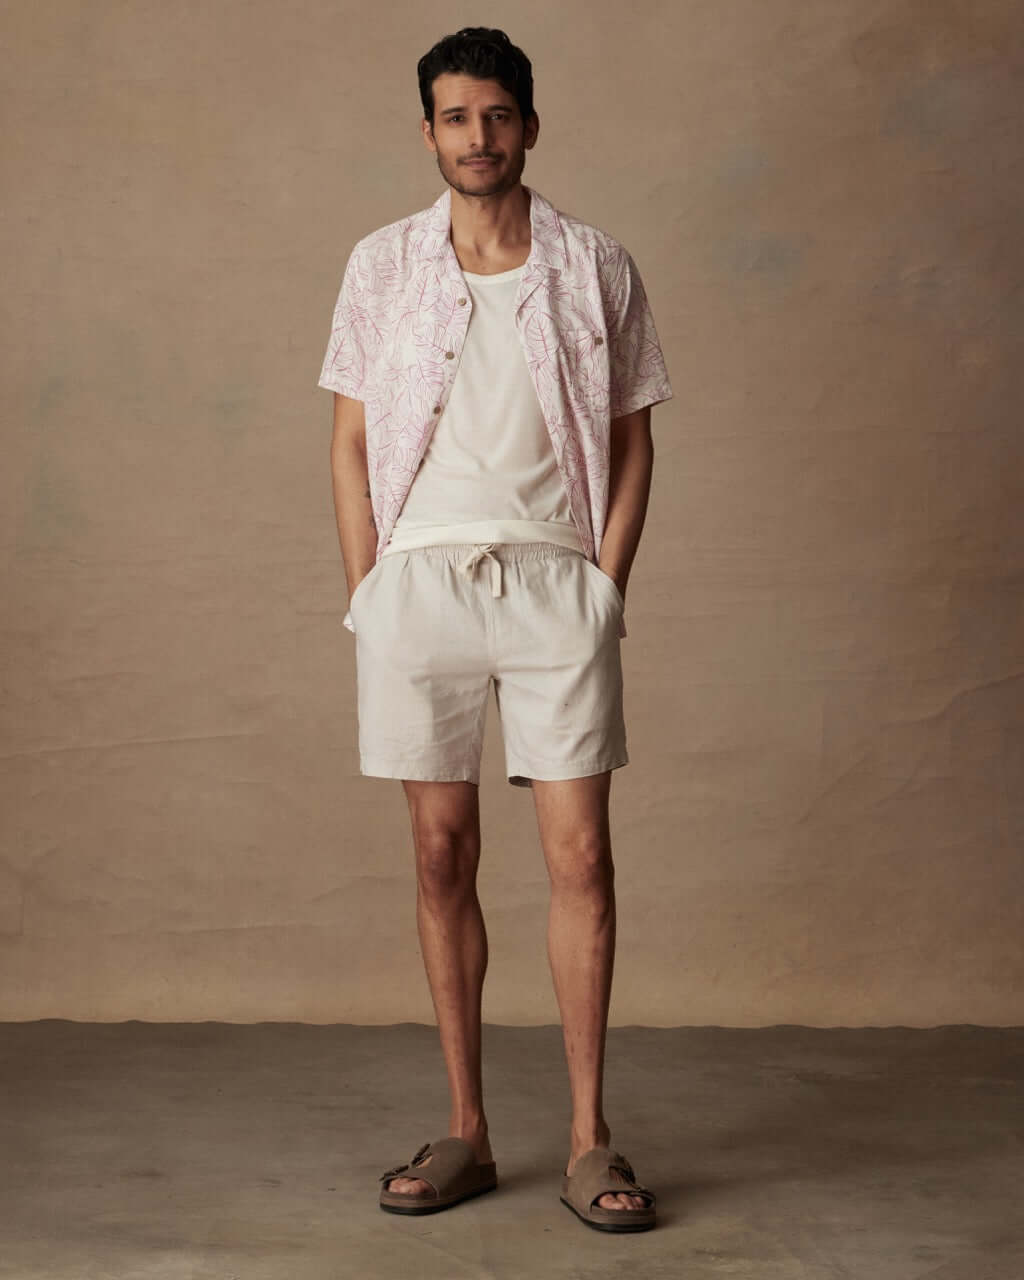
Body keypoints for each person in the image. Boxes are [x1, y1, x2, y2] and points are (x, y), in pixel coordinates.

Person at [317, 26, 672, 1232]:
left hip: (552, 583)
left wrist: (603, 585)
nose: (479, 138)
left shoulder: (594, 266)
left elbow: (631, 439)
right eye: (456, 118)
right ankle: (467, 1128)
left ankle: (588, 1138)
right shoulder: (381, 265)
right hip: (418, 584)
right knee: (440, 854)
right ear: (428, 132)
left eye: (498, 115)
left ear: (530, 124)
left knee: (581, 859)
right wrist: (368, 589)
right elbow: (354, 440)